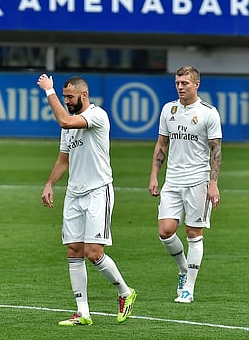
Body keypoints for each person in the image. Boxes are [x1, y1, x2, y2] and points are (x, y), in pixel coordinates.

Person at [37, 74, 136, 326]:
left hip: (97, 191)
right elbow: (63, 159)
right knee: (74, 251)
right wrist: (50, 184)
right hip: (74, 193)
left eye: (69, 97)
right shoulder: (68, 126)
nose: (66, 100)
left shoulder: (97, 116)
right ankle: (83, 312)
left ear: (84, 95)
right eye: (63, 97)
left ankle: (125, 292)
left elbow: (65, 121)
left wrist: (49, 92)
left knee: (94, 253)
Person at [148, 66, 222, 303]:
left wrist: (213, 183)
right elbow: (161, 144)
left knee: (193, 232)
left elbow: (216, 150)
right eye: (177, 83)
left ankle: (188, 287)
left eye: (185, 83)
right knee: (165, 231)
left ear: (196, 84)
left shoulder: (209, 113)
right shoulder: (168, 109)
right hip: (172, 180)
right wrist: (154, 175)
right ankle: (183, 269)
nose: (180, 87)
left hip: (198, 181)